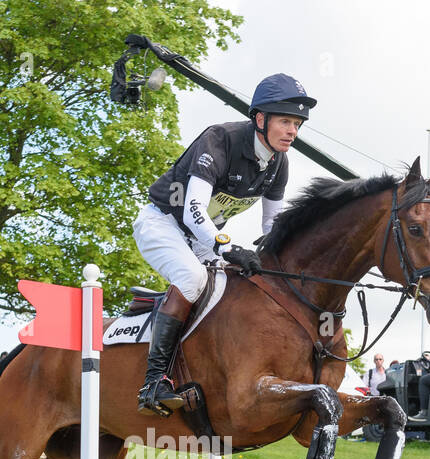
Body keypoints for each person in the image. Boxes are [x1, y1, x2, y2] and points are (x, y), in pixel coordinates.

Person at [134, 73, 314, 415]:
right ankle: (153, 382)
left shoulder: (279, 164)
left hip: (204, 238)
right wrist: (227, 247)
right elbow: (193, 210)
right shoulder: (220, 139)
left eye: (298, 124)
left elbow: (271, 227)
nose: (293, 131)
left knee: (237, 288)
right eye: (286, 121)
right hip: (164, 223)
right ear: (260, 119)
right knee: (192, 279)